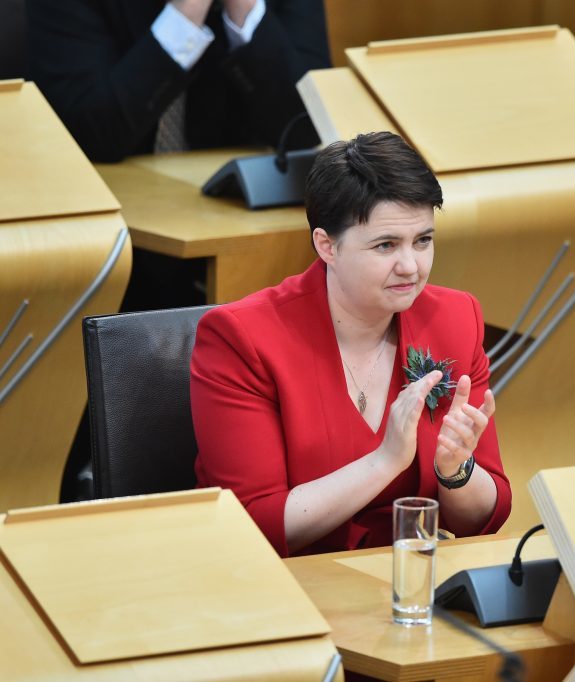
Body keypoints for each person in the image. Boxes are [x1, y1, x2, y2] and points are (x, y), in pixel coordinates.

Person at [190, 132, 512, 556]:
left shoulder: (455, 319)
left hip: (408, 579)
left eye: (423, 240)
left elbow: (487, 516)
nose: (411, 266)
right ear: (327, 246)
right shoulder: (242, 339)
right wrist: (385, 461)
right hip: (293, 586)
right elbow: (254, 524)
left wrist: (456, 472)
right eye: (386, 245)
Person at [26, 0, 330, 162]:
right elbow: (91, 138)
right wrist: (186, 14)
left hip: (239, 221)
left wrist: (245, 11)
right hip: (116, 227)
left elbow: (309, 130)